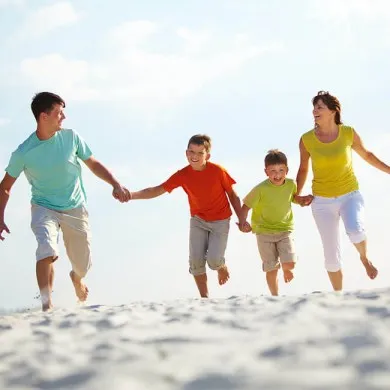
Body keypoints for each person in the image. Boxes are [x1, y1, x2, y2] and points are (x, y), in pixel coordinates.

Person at [0, 92, 130, 311]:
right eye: (59, 113)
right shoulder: (23, 152)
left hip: (74, 206)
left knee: (83, 264)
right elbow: (5, 186)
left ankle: (77, 278)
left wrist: (115, 184)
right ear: (44, 116)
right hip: (43, 206)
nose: (64, 117)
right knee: (46, 249)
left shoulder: (71, 137)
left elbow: (93, 163)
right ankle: (46, 304)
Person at [129, 134, 249, 298]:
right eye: (192, 152)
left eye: (200, 153)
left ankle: (221, 266)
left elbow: (232, 195)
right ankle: (204, 298)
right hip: (198, 220)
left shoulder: (218, 171)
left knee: (214, 260)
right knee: (196, 261)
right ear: (186, 153)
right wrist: (131, 195)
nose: (195, 156)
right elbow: (157, 189)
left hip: (220, 220)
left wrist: (242, 220)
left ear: (208, 155)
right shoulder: (182, 175)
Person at [296, 90, 390, 291]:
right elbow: (303, 168)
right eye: (314, 107)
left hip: (349, 195)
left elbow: (367, 155)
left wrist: (389, 170)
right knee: (331, 257)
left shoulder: (348, 133)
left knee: (355, 230)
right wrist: (296, 194)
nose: (315, 111)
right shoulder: (306, 139)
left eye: (320, 107)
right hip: (321, 201)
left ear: (332, 111)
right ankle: (339, 298)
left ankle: (364, 258)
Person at [239, 149, 310, 296]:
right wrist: (243, 222)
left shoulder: (291, 185)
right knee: (271, 268)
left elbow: (294, 198)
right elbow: (246, 206)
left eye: (281, 170)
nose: (277, 175)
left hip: (284, 230)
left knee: (290, 263)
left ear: (287, 170)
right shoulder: (260, 189)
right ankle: (275, 296)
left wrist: (302, 200)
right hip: (263, 232)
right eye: (272, 171)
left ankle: (286, 270)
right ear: (266, 172)